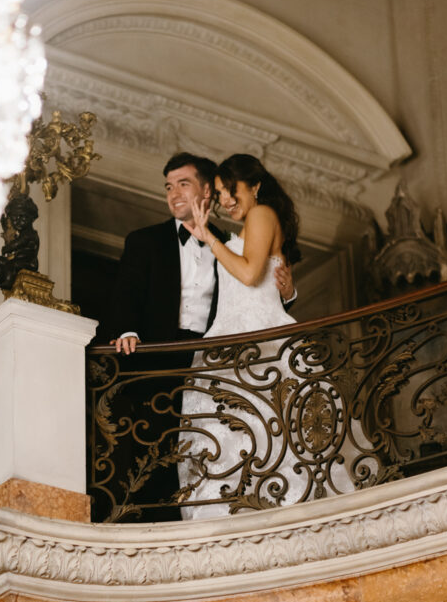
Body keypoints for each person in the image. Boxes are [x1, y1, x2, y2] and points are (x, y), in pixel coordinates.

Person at [104, 152, 295, 521]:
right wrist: (126, 330)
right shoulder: (144, 240)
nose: (173, 193)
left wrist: (288, 293)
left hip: (212, 356)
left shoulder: (228, 237)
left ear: (207, 191)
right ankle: (146, 522)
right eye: (168, 186)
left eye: (184, 184)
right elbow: (125, 291)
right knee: (152, 447)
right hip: (159, 355)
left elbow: (254, 279)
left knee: (218, 440)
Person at [177, 153, 364, 519]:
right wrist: (288, 290)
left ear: (255, 187)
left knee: (269, 426)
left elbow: (249, 275)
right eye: (219, 192)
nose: (226, 199)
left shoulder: (262, 214)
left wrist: (209, 239)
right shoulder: (254, 222)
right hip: (236, 333)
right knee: (247, 432)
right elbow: (267, 283)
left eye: (231, 189)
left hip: (254, 336)